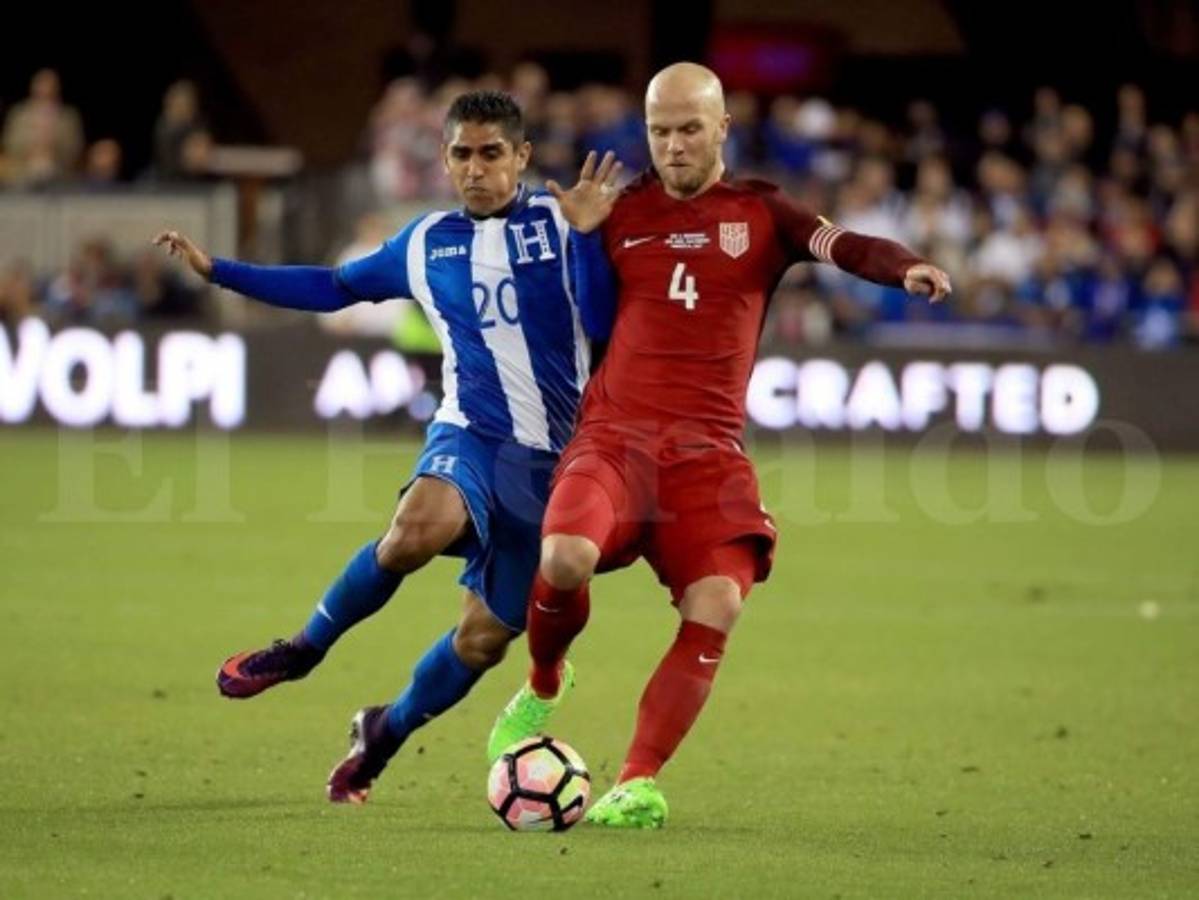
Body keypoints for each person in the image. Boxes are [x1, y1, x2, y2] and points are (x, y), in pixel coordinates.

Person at [487, 63, 951, 828]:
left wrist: (905, 269)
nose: (672, 146)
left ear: (722, 129)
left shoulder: (763, 213)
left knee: (717, 601)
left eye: (688, 129)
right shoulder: (621, 209)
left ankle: (636, 779)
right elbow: (595, 319)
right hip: (615, 438)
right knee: (562, 557)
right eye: (659, 132)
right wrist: (582, 238)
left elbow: (844, 245)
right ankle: (542, 681)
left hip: (704, 453)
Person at [154, 91, 621, 804]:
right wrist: (221, 271)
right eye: (461, 153)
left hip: (554, 468)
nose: (474, 168)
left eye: (491, 152)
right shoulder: (425, 240)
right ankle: (304, 648)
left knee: (479, 642)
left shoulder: (566, 224)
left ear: (522, 156)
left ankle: (385, 730)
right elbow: (334, 287)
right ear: (443, 158)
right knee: (414, 530)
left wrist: (589, 235)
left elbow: (602, 319)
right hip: (470, 431)